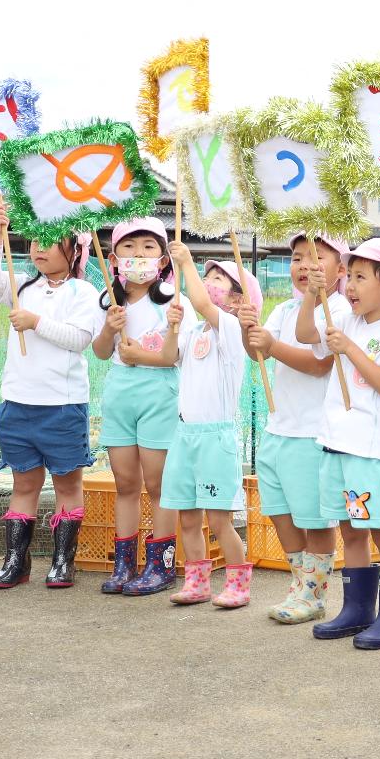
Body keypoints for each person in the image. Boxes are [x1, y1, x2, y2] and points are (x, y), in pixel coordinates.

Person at [297, 238, 380, 649]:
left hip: (371, 450)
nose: (349, 286)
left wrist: (348, 348)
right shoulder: (346, 318)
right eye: (348, 277)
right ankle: (356, 610)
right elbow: (303, 332)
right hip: (336, 444)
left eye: (360, 277)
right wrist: (314, 296)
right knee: (350, 529)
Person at [0, 202, 101, 589]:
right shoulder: (23, 286)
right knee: (24, 485)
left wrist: (36, 322)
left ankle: (63, 561)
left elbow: (79, 339)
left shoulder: (83, 291)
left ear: (74, 249)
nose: (39, 248)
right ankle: (17, 561)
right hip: (18, 403)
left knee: (67, 484)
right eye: (34, 240)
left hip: (62, 406)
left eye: (51, 241)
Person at [150, 243, 261, 609]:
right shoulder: (196, 329)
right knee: (187, 515)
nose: (210, 284)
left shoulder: (230, 328)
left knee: (219, 519)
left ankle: (238, 584)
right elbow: (168, 358)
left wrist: (185, 263)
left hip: (215, 437)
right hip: (185, 435)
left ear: (238, 299)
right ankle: (197, 582)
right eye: (209, 276)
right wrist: (172, 327)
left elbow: (201, 302)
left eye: (218, 280)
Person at [249, 232, 348, 625]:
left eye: (316, 257)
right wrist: (250, 331)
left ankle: (314, 593)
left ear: (340, 270)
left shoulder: (338, 309)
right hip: (279, 428)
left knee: (314, 518)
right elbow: (258, 351)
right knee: (280, 512)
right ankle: (300, 585)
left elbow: (319, 363)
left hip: (313, 432)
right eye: (296, 257)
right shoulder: (285, 308)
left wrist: (271, 345)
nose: (304, 265)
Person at [92, 218, 181, 597]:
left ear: (162, 261)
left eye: (148, 247)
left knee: (159, 484)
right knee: (125, 482)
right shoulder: (110, 301)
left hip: (159, 393)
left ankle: (161, 565)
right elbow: (99, 353)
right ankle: (124, 563)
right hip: (119, 393)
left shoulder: (175, 302)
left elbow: (175, 356)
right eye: (129, 247)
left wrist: (140, 355)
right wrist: (110, 330)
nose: (139, 254)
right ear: (113, 258)